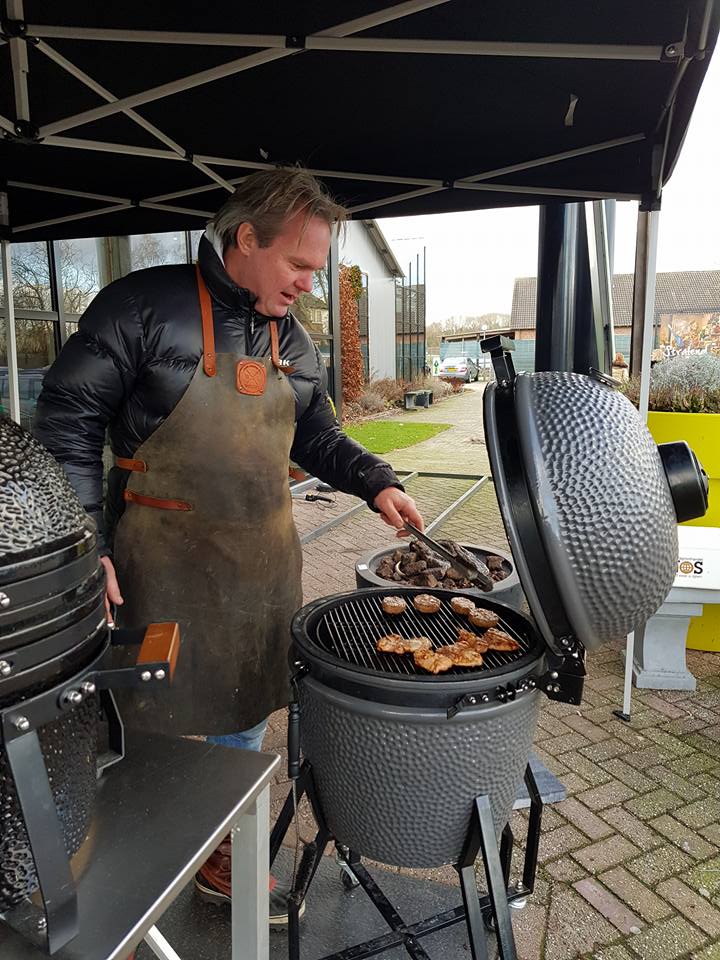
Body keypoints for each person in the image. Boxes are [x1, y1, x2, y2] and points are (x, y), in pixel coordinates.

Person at [34, 168, 424, 923]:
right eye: (301, 266)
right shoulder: (143, 305)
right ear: (247, 239)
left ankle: (222, 860)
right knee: (136, 711)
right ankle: (109, 868)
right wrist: (86, 541)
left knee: (245, 707)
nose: (310, 285)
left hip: (262, 566)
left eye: (317, 270)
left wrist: (376, 480)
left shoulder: (295, 338)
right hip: (156, 559)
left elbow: (317, 434)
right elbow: (69, 417)